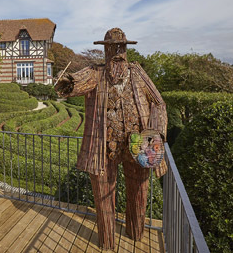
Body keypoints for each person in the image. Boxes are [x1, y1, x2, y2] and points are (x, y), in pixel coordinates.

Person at [55, 28, 167, 249]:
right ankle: (107, 241)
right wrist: (67, 82)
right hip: (103, 149)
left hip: (138, 147)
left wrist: (156, 134)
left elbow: (159, 103)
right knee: (104, 201)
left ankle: (136, 233)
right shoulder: (95, 73)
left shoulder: (137, 73)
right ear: (105, 50)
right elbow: (76, 82)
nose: (117, 52)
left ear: (126, 49)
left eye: (121, 48)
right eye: (112, 48)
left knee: (139, 193)